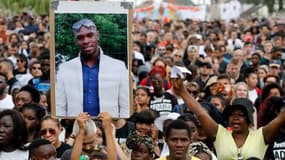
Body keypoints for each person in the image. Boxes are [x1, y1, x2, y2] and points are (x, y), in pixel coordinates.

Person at [172, 76, 285, 159]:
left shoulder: (261, 136)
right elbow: (200, 112)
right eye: (232, 114)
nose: (235, 118)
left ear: (249, 118)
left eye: (241, 115)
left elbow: (281, 118)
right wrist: (182, 91)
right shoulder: (219, 133)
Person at [56, 18, 129, 117]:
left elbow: (125, 105)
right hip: (77, 128)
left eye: (90, 35)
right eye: (80, 37)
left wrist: (119, 127)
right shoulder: (65, 68)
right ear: (76, 41)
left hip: (109, 127)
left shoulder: (118, 66)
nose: (86, 41)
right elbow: (60, 106)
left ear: (97, 35)